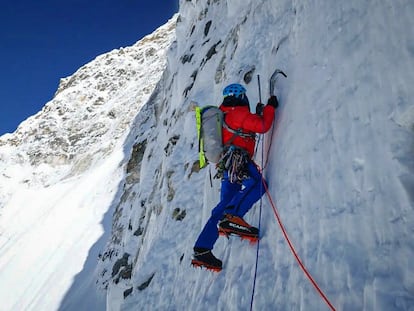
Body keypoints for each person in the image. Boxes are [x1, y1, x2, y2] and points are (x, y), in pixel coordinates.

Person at [192, 83, 278, 270]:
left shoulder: (223, 115)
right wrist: (270, 107)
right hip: (238, 161)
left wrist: (256, 114)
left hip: (226, 165)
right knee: (259, 185)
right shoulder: (237, 112)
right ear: (241, 96)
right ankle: (233, 217)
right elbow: (262, 126)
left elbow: (245, 129)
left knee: (224, 204)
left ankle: (202, 248)